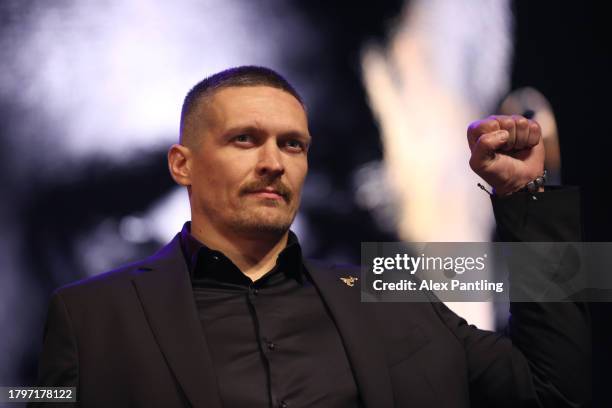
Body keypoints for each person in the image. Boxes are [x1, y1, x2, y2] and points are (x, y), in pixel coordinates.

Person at [34, 66, 589, 407]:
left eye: (293, 145)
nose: (274, 162)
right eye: (245, 139)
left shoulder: (393, 296)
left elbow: (556, 391)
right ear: (183, 164)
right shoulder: (90, 316)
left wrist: (528, 201)